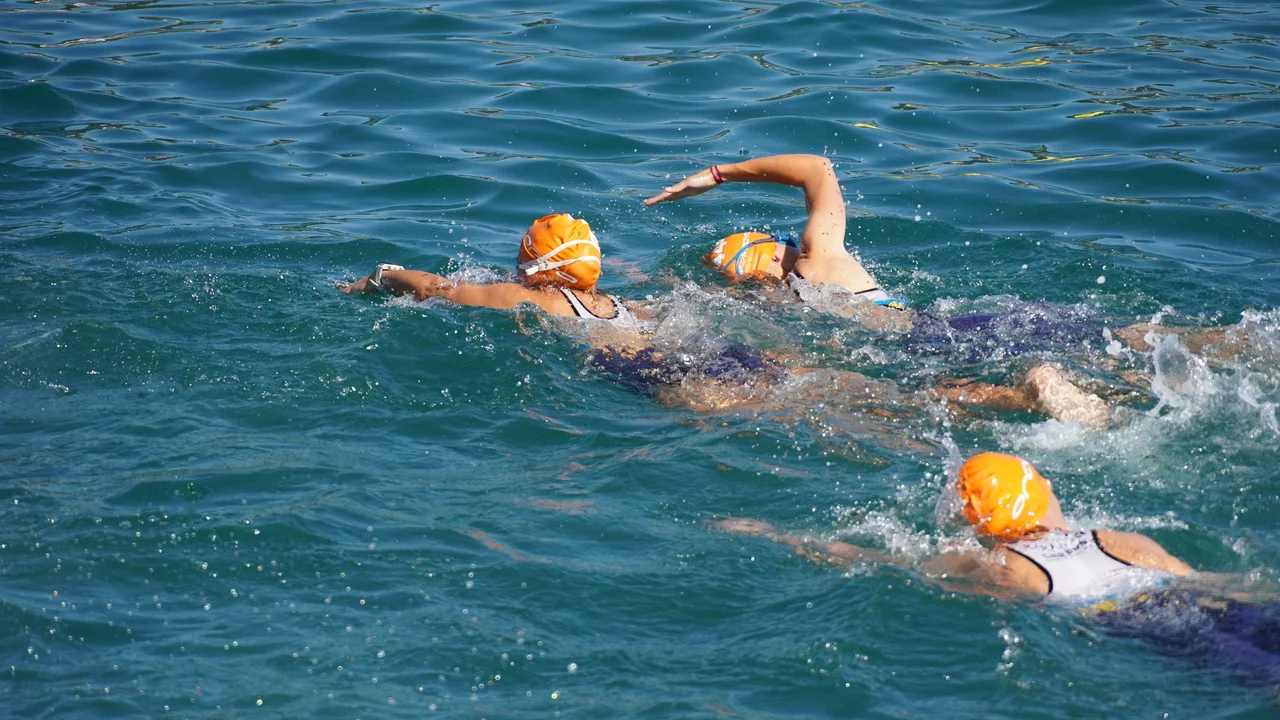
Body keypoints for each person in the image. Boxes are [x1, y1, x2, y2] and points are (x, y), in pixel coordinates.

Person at [644, 154, 1256, 427]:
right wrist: (717, 175)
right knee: (1129, 340)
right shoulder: (820, 259)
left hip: (913, 360)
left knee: (1017, 390)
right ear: (779, 252)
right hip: (961, 326)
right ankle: (1244, 349)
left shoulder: (783, 312)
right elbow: (817, 169)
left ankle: (1088, 397)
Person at [715, 452, 1280, 683]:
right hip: (1210, 608)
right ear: (1044, 493)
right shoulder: (1118, 539)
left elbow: (883, 562)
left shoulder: (998, 564)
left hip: (1146, 633)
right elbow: (1217, 584)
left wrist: (777, 536)